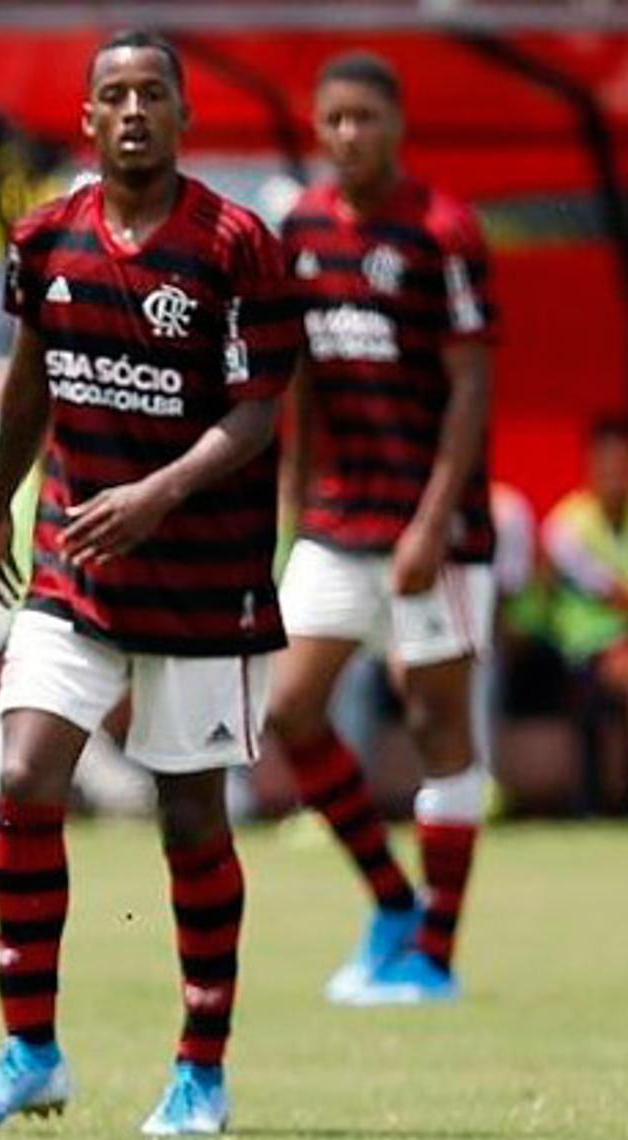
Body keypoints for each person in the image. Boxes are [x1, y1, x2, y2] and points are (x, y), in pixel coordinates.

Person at [0, 30, 301, 1139]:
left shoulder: (237, 245)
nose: (134, 111)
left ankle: (201, 1063)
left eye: (153, 94)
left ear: (184, 117)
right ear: (88, 121)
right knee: (28, 775)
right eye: (114, 96)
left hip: (203, 583)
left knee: (188, 814)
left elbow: (260, 411)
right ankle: (29, 1049)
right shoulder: (46, 236)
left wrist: (159, 495)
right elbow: (29, 377)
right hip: (72, 566)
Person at [266, 51, 497, 1006]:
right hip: (334, 520)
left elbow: (473, 381)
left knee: (438, 722)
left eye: (365, 117)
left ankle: (436, 956)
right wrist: (287, 515)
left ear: (397, 125)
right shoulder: (304, 230)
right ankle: (393, 899)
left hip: (431, 532)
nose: (349, 135)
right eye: (334, 120)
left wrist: (433, 523)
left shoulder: (444, 231)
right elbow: (299, 384)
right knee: (288, 710)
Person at [543, 415, 628, 806]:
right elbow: (615, 597)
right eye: (606, 461)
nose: (615, 471)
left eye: (624, 461)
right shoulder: (565, 526)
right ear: (590, 465)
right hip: (586, 649)